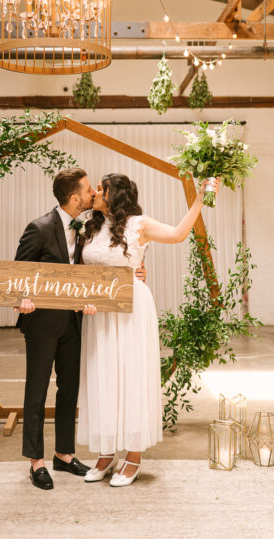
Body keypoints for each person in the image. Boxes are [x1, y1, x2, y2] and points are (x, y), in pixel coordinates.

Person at [78, 173, 220, 487]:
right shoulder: (90, 225)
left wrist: (199, 198)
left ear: (116, 193)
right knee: (102, 377)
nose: (96, 192)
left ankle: (134, 457)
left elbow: (179, 234)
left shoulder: (139, 224)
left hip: (131, 309)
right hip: (99, 313)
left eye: (102, 188)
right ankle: (105, 453)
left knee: (131, 377)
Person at [14, 167, 148, 491]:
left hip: (76, 322)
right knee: (36, 391)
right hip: (43, 324)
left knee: (70, 390)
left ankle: (64, 453)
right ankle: (37, 461)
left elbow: (102, 265)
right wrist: (22, 299)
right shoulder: (40, 228)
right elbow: (18, 274)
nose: (93, 194)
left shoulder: (89, 228)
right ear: (75, 197)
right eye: (88, 190)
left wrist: (136, 273)